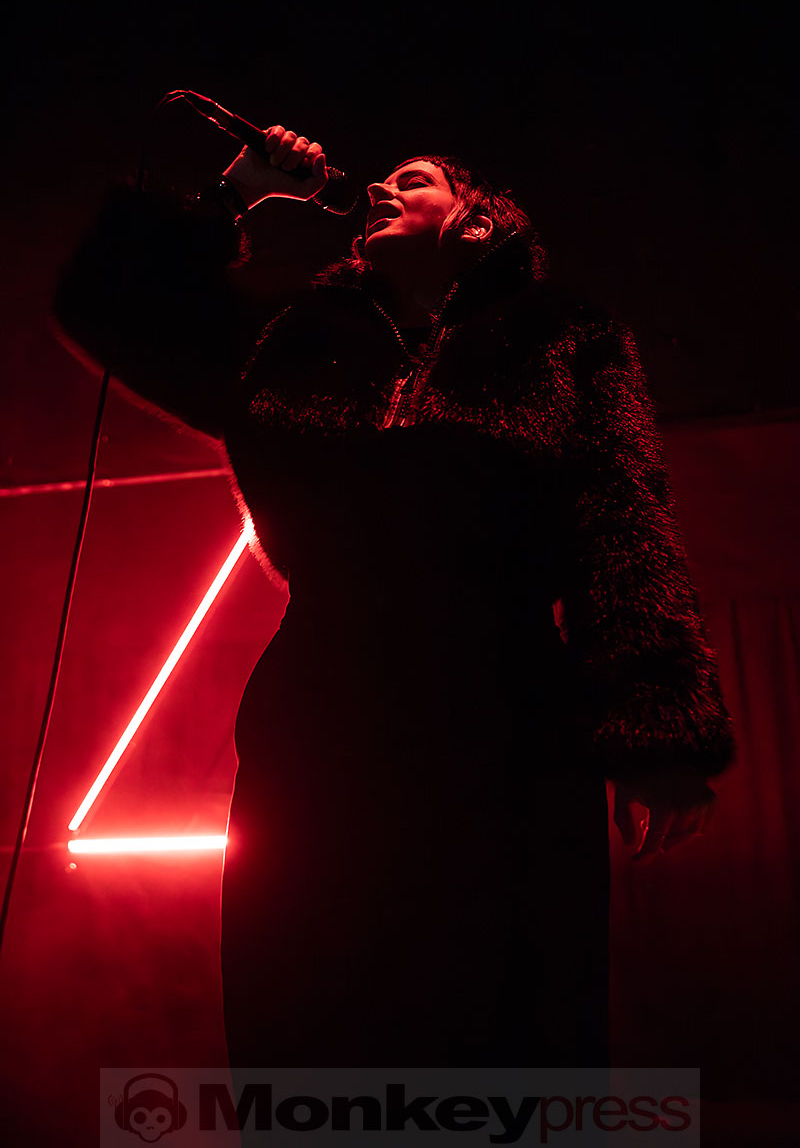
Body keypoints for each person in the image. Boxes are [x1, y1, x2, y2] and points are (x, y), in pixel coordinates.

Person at [52, 125, 736, 1069]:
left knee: (504, 1004)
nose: (379, 187)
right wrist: (235, 195)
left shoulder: (563, 335)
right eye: (379, 180)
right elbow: (106, 305)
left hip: (505, 714)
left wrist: (661, 737)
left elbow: (622, 520)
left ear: (478, 222)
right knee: (317, 992)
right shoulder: (293, 339)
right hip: (322, 711)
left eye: (412, 181)